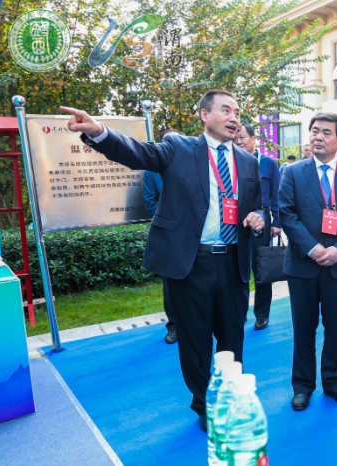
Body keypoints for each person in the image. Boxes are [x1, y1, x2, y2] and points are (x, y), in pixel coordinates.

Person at [59, 90, 265, 432]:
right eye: (226, 110)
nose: (234, 117)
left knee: (232, 340)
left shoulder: (248, 162)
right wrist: (99, 132)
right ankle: (203, 404)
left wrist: (259, 216)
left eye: (238, 112)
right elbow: (137, 153)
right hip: (191, 263)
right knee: (196, 341)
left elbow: (258, 205)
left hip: (233, 263)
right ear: (204, 114)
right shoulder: (179, 148)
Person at [279, 113, 337, 411]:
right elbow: (286, 214)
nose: (318, 136)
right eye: (315, 131)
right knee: (303, 328)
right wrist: (312, 248)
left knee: (336, 327)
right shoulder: (292, 172)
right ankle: (302, 386)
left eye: (326, 132)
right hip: (303, 264)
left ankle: (334, 382)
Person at [235, 123, 281, 330]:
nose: (239, 142)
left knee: (261, 269)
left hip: (261, 219)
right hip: (236, 219)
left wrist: (277, 222)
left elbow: (277, 193)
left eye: (242, 137)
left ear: (253, 139)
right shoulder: (231, 161)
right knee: (237, 269)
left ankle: (262, 314)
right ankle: (239, 311)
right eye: (235, 138)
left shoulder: (268, 163)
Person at [143, 128, 183, 344]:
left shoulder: (194, 166)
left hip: (195, 236)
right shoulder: (151, 171)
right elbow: (150, 202)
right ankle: (174, 326)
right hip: (168, 236)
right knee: (170, 286)